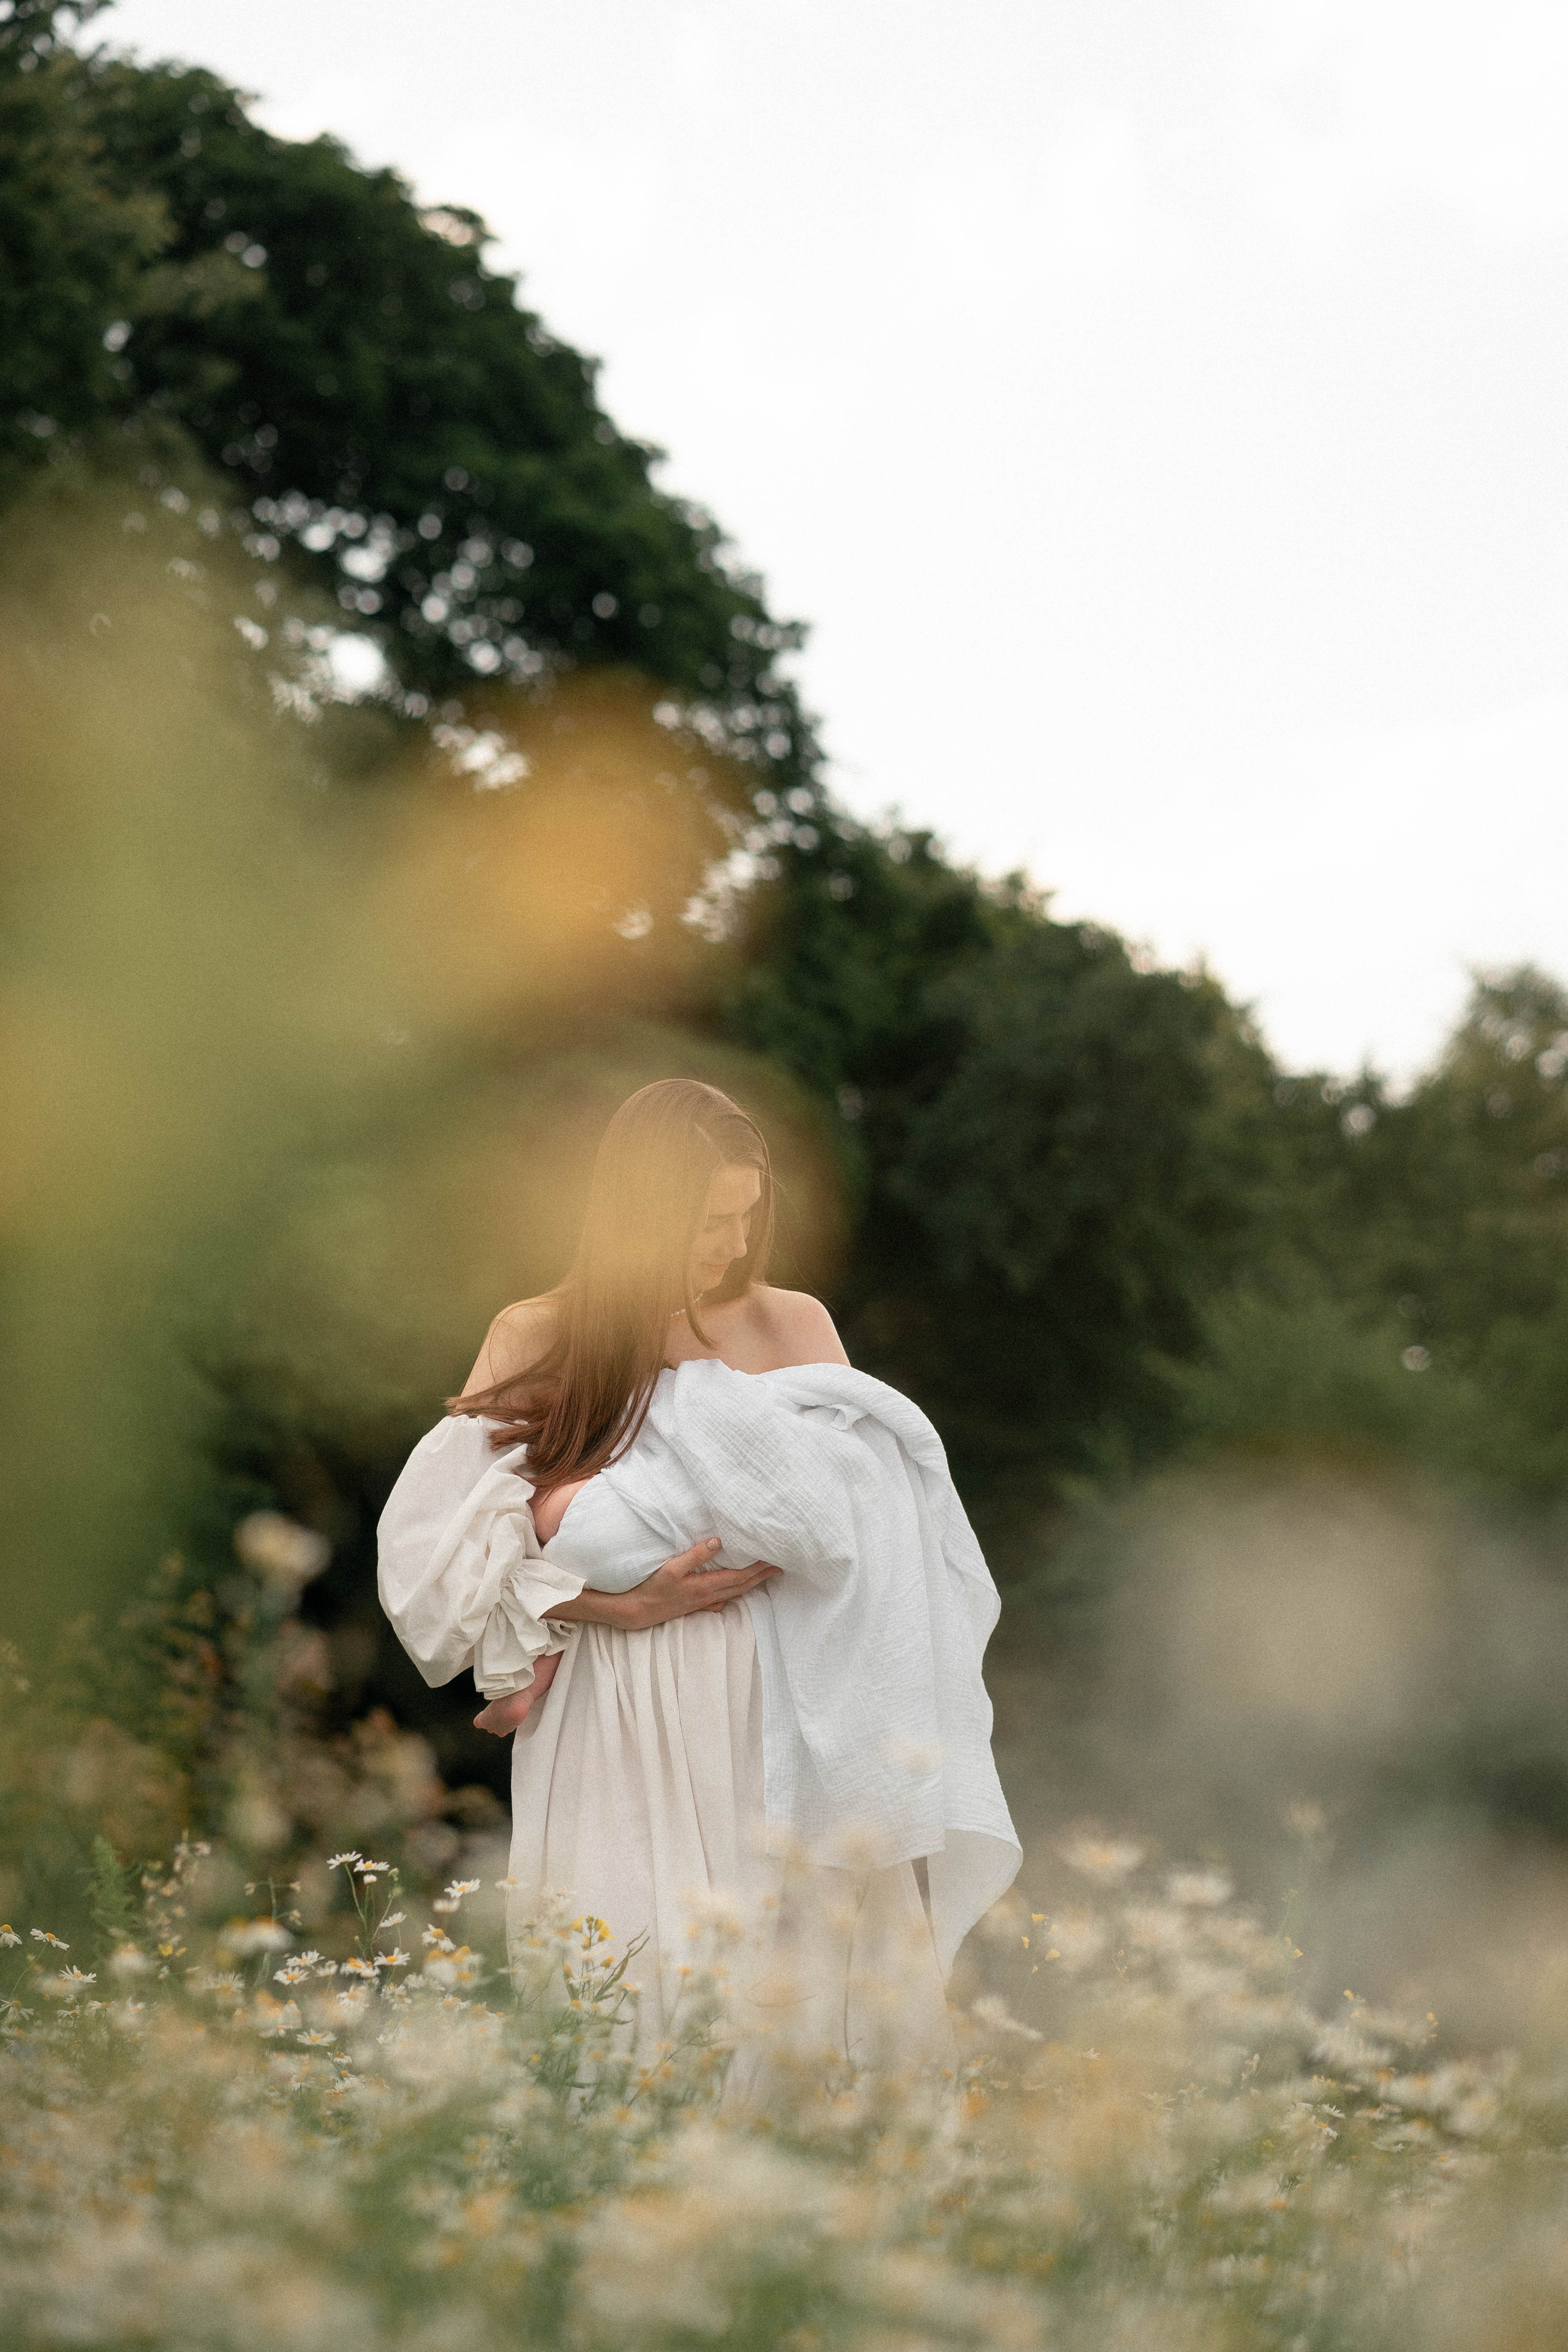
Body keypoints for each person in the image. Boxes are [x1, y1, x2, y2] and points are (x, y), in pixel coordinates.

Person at [377, 1079, 1018, 2075]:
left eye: (746, 1219)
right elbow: (448, 1553)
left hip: (785, 1706)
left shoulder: (792, 1327)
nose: (732, 1245)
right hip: (612, 1709)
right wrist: (621, 1603)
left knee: (790, 2007)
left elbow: (861, 1521)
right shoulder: (539, 1335)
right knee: (626, 1990)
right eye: (708, 1224)